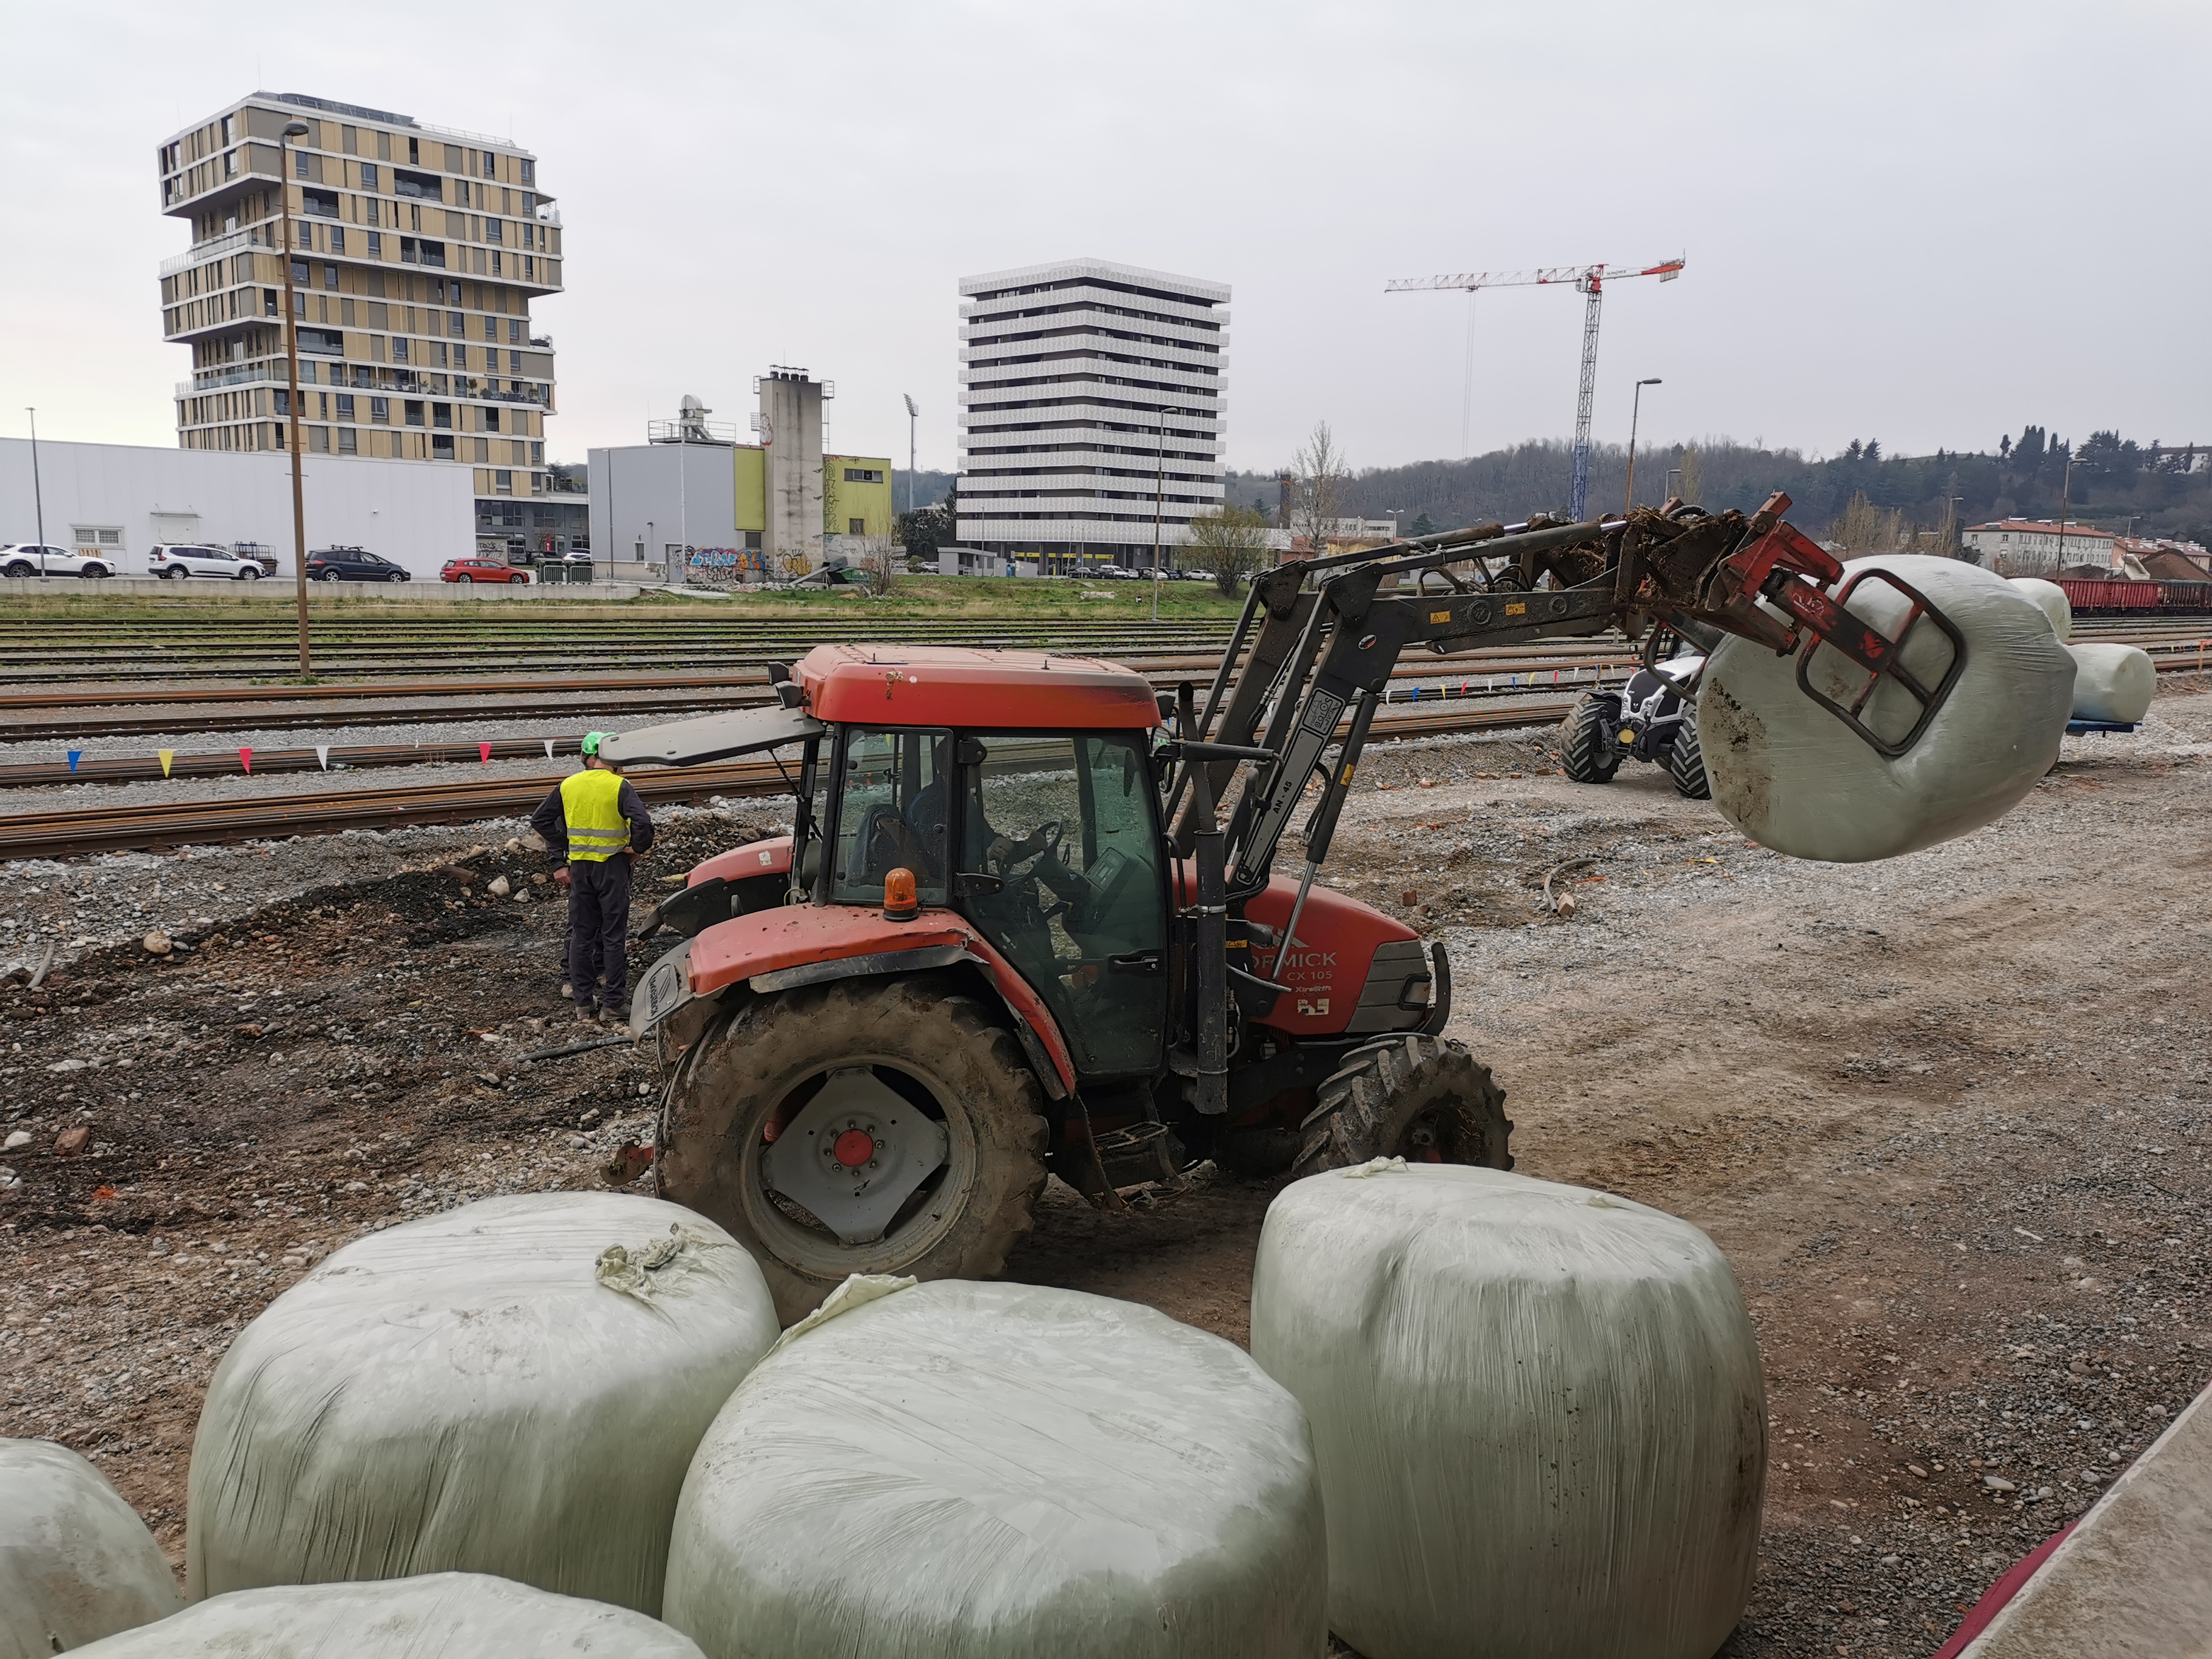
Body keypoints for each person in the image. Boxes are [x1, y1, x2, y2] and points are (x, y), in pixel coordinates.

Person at [531, 732, 655, 1023]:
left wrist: (566, 844)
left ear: (587, 757)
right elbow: (643, 823)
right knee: (613, 936)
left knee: (581, 936)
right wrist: (637, 848)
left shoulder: (568, 785)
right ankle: (613, 1003)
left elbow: (540, 820)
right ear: (612, 758)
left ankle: (583, 1003)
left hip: (580, 869)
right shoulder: (619, 786)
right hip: (611, 867)